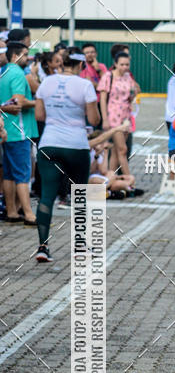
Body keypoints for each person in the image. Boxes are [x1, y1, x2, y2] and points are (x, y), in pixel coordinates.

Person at [34, 47, 100, 262]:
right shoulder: (85, 85)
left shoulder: (46, 83)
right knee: (79, 194)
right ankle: (80, 245)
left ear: (62, 62)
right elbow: (94, 119)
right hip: (76, 144)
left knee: (47, 195)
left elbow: (40, 115)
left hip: (49, 143)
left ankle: (43, 246)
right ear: (81, 65)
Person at [0, 41, 38, 225]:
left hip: (6, 130)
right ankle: (29, 214)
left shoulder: (4, 72)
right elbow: (17, 103)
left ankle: (12, 211)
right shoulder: (17, 74)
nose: (28, 57)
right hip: (18, 130)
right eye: (25, 54)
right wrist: (37, 102)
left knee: (8, 173)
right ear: (15, 55)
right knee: (23, 174)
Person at [97, 50, 137, 175]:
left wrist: (133, 93)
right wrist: (105, 119)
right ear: (115, 64)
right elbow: (103, 99)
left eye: (127, 64)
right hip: (113, 116)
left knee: (116, 151)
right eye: (122, 64)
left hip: (126, 116)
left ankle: (111, 179)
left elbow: (131, 94)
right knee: (123, 150)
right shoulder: (108, 76)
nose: (125, 67)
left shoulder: (128, 77)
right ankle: (129, 180)